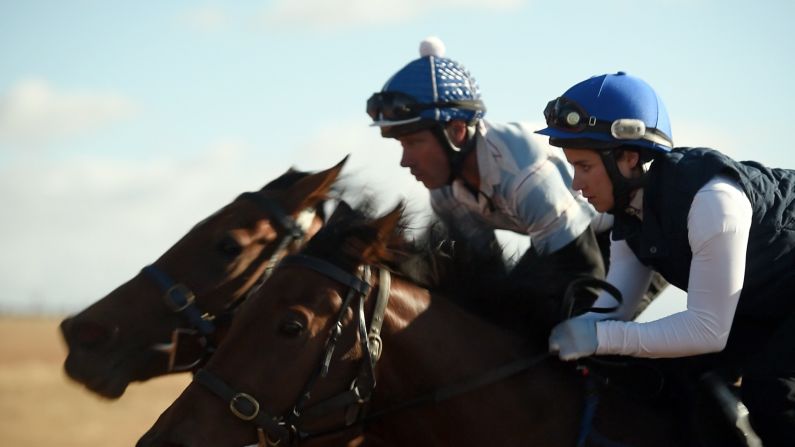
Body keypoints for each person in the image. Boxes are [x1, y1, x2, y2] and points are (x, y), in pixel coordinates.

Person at [542, 71, 795, 445]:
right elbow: (616, 309)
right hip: (770, 298)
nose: (577, 185)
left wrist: (598, 336)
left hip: (775, 299)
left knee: (772, 391)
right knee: (673, 380)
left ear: (629, 159)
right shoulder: (629, 214)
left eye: (585, 167)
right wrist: (561, 338)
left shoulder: (712, 202)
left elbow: (707, 331)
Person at [366, 37, 607, 336]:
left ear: (456, 130)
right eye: (402, 145)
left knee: (578, 337)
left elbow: (586, 275)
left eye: (414, 142)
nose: (405, 161)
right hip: (557, 244)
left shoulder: (524, 174)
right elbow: (489, 276)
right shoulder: (443, 193)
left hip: (620, 240)